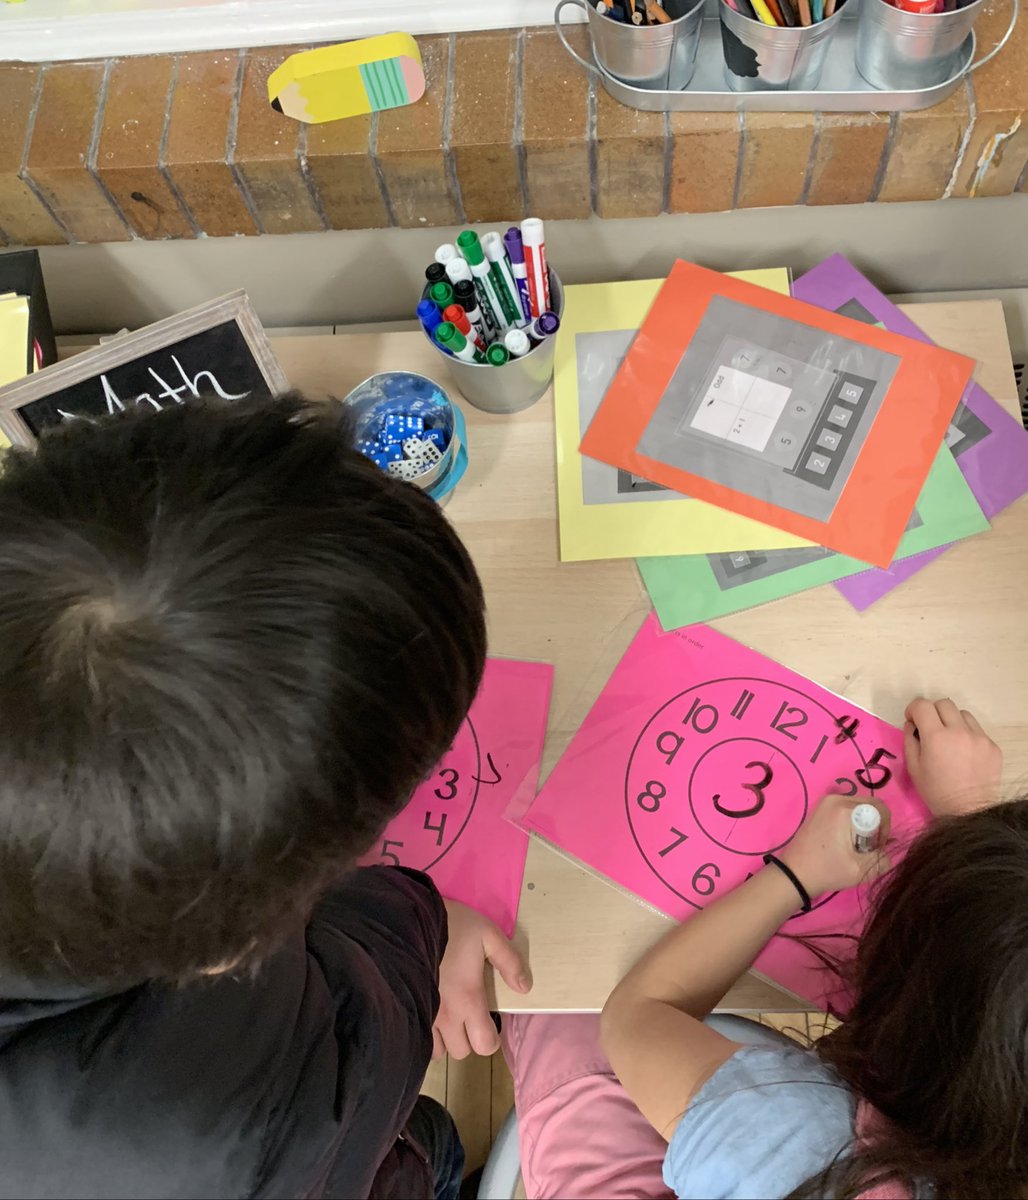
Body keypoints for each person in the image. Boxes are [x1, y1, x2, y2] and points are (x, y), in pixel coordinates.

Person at [0, 394, 530, 1200]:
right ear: (227, 951)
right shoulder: (255, 1116)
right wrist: (424, 917)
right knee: (425, 1156)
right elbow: (366, 1034)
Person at [600, 698, 1014, 1199]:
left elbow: (635, 1015)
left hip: (742, 1135)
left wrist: (798, 875)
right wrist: (971, 837)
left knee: (556, 1020)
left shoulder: (799, 1139)